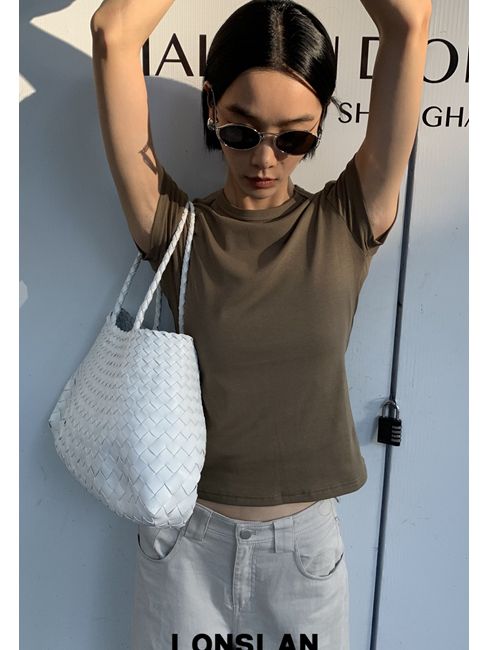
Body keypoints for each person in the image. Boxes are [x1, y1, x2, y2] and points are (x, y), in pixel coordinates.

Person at [91, 0, 431, 647]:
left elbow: (410, 21)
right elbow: (113, 32)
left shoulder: (347, 220)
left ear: (322, 123)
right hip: (184, 547)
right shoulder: (176, 228)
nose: (265, 160)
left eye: (293, 138)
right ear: (211, 108)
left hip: (302, 557)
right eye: (242, 132)